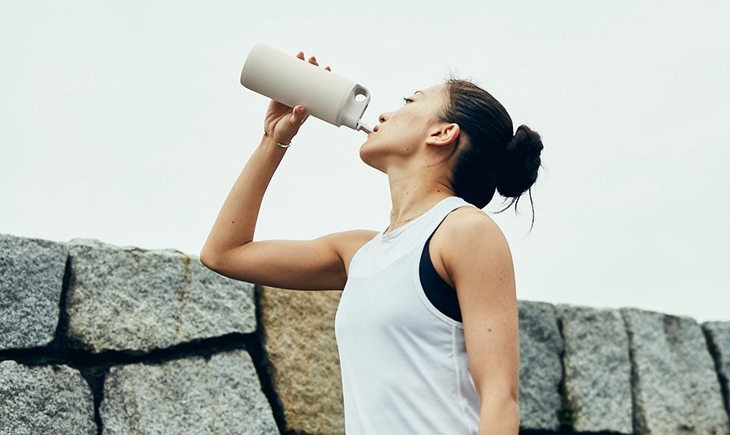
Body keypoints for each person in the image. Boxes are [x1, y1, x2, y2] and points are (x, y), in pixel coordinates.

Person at [200, 51, 544, 434]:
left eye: (409, 102)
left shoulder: (464, 231)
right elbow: (224, 254)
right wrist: (273, 140)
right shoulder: (358, 252)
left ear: (442, 133)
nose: (383, 115)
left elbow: (500, 398)